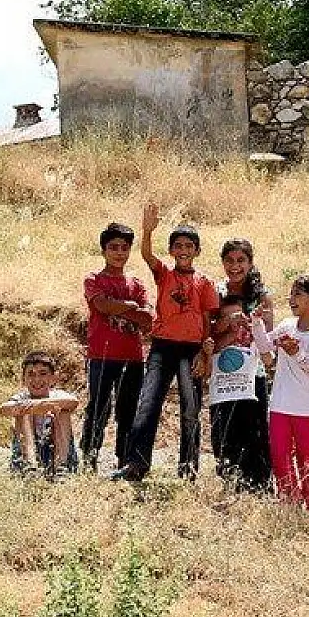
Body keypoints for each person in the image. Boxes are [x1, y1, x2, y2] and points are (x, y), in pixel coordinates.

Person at [114, 203, 220, 482]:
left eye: (189, 246)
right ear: (172, 250)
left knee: (190, 408)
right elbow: (147, 255)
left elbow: (207, 320)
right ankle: (136, 464)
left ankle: (188, 469)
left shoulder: (205, 282)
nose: (183, 250)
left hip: (191, 350)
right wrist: (147, 231)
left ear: (197, 251)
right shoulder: (165, 274)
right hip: (162, 346)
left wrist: (204, 353)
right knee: (148, 403)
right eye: (178, 246)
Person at [253, 276, 309, 513]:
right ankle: (288, 503)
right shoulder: (287, 325)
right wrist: (257, 323)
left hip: (308, 407)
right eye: (291, 294)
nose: (291, 299)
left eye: (298, 294)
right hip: (280, 404)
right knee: (279, 456)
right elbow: (264, 347)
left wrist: (298, 353)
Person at [80, 222, 154, 472]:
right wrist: (132, 307)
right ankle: (89, 459)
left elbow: (148, 319)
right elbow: (102, 306)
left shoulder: (136, 283)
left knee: (128, 411)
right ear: (103, 250)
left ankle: (125, 461)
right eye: (113, 247)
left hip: (132, 358)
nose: (119, 252)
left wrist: (122, 306)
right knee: (98, 408)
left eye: (124, 247)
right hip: (101, 355)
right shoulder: (94, 279)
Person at [215, 239, 274, 489]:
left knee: (256, 430)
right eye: (230, 260)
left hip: (254, 374)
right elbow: (208, 332)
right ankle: (230, 483)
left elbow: (269, 337)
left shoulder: (262, 296)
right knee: (225, 430)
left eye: (241, 261)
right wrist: (228, 325)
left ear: (250, 263)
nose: (235, 266)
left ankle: (260, 485)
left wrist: (254, 323)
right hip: (223, 374)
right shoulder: (216, 292)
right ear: (223, 262)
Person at [201, 295, 269, 490]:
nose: (235, 320)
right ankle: (230, 485)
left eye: (238, 315)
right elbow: (205, 372)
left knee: (252, 443)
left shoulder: (251, 339)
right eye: (228, 317)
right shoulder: (212, 344)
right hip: (221, 401)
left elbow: (267, 356)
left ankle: (256, 486)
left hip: (247, 400)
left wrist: (254, 324)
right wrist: (223, 338)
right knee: (224, 444)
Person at [0, 350, 81, 478]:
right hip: (28, 449)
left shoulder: (58, 395)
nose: (37, 379)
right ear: (24, 379)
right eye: (31, 374)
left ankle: (62, 467)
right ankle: (30, 466)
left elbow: (73, 402)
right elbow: (4, 409)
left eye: (43, 374)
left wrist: (43, 404)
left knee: (62, 411)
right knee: (23, 411)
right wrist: (33, 407)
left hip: (55, 448)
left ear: (53, 378)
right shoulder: (22, 396)